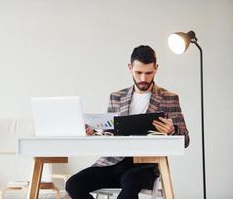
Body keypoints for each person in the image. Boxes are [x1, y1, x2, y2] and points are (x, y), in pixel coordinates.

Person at [65, 45, 190, 199]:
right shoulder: (116, 97)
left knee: (130, 185)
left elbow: (185, 139)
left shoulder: (169, 98)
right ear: (130, 68)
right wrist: (94, 132)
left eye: (149, 73)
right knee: (73, 185)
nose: (143, 78)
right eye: (138, 72)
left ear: (156, 69)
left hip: (144, 166)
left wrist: (172, 130)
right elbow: (108, 132)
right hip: (112, 162)